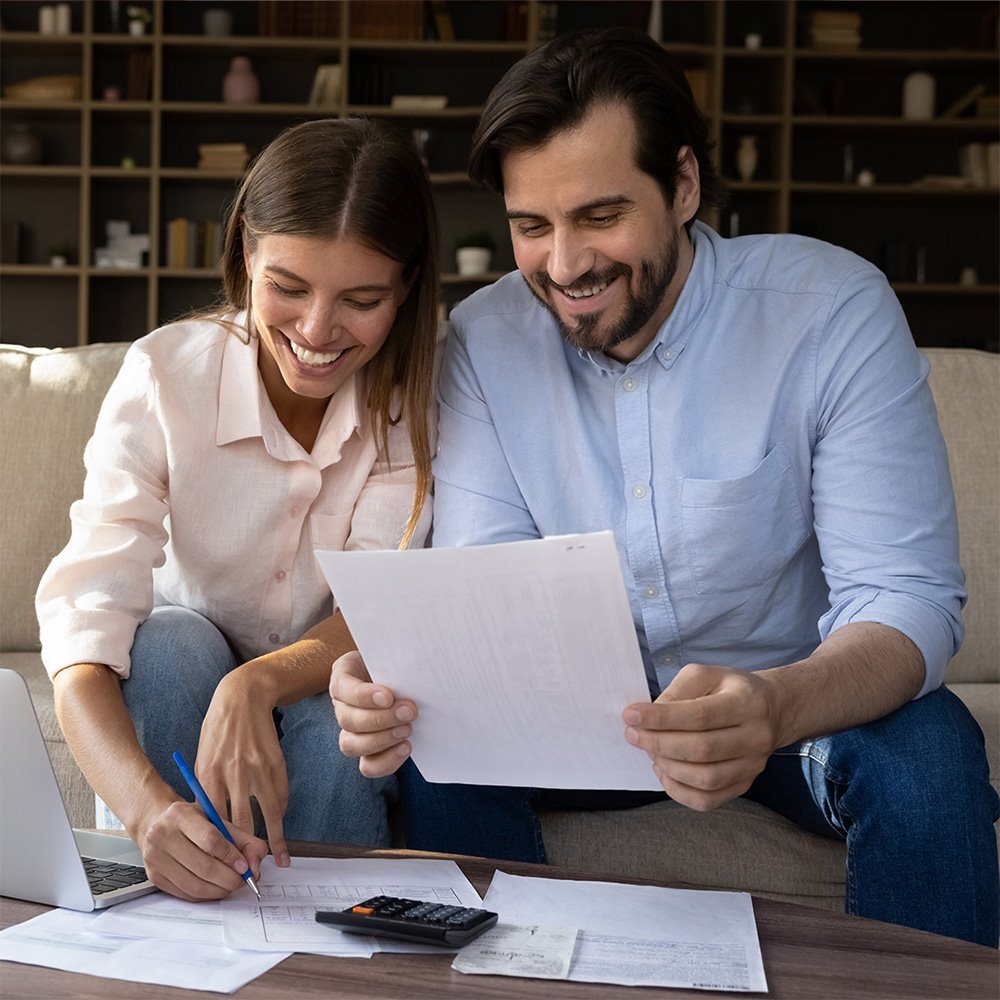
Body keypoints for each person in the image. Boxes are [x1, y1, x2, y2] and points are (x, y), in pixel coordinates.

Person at [329, 28, 999, 947]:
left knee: (932, 755)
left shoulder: (832, 312)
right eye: (533, 226)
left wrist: (774, 707)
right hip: (570, 726)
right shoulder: (484, 341)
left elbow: (908, 597)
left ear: (683, 185)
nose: (564, 267)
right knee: (434, 755)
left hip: (789, 714)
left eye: (601, 216)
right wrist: (411, 677)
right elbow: (486, 585)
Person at [36, 116, 440, 902]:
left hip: (326, 676)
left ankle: (330, 956)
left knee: (338, 729)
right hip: (180, 671)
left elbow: (376, 601)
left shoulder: (414, 400)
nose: (317, 334)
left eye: (360, 300)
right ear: (248, 251)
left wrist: (255, 684)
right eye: (288, 288)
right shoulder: (164, 374)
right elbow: (84, 631)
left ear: (406, 289)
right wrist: (147, 810)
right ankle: (166, 900)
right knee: (171, 645)